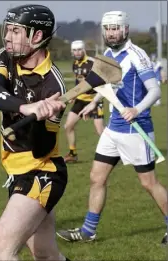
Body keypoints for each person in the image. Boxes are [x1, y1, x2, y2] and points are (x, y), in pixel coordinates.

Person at [56, 11, 168, 245]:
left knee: (148, 183)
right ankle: (88, 231)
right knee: (96, 178)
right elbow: (104, 85)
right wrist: (94, 103)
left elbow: (155, 90)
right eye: (107, 28)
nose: (111, 32)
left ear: (125, 29)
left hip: (135, 128)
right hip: (113, 129)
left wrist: (137, 110)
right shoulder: (107, 54)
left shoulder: (137, 55)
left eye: (116, 28)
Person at [0, 4, 70, 261]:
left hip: (42, 173)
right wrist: (25, 106)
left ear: (37, 36)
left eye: (16, 31)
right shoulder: (6, 56)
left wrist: (44, 119)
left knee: (1, 251)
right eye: (7, 29)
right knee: (46, 254)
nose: (8, 37)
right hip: (16, 171)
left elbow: (42, 148)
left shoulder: (53, 84)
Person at [64, 40, 105, 163]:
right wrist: (73, 95)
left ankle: (116, 153)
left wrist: (97, 100)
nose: (77, 52)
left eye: (79, 49)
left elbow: (102, 82)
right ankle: (73, 154)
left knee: (100, 130)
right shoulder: (75, 64)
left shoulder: (92, 63)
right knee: (68, 126)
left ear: (84, 50)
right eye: (75, 50)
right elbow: (79, 83)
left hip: (94, 101)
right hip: (80, 100)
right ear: (72, 52)